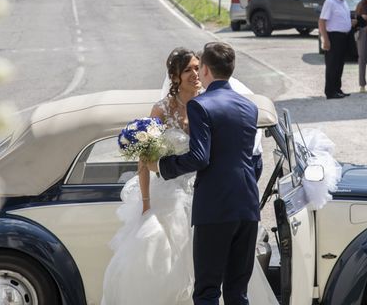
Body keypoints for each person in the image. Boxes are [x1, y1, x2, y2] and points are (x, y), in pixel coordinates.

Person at [102, 47, 277, 305]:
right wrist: (147, 199)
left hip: (209, 201)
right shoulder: (247, 106)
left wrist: (161, 166)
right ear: (174, 77)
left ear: (205, 69)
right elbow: (248, 157)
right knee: (232, 290)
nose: (195, 74)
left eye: (198, 67)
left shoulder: (202, 105)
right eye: (188, 69)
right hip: (230, 203)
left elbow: (201, 158)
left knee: (206, 289)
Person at [319, 0, 354, 99]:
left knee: (339, 65)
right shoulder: (329, 2)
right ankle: (330, 91)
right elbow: (322, 21)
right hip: (333, 37)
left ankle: (337, 89)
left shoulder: (343, 2)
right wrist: (325, 39)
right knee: (332, 65)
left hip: (343, 37)